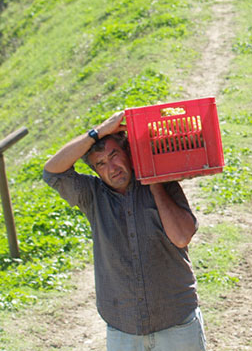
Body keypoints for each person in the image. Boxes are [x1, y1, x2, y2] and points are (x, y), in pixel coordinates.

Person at [42, 110, 207, 351]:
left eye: (114, 155)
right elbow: (52, 171)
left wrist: (155, 186)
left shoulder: (162, 181)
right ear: (96, 171)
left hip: (176, 321)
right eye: (101, 163)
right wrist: (98, 132)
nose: (112, 167)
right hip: (123, 327)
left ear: (128, 153)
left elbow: (181, 237)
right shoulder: (92, 196)